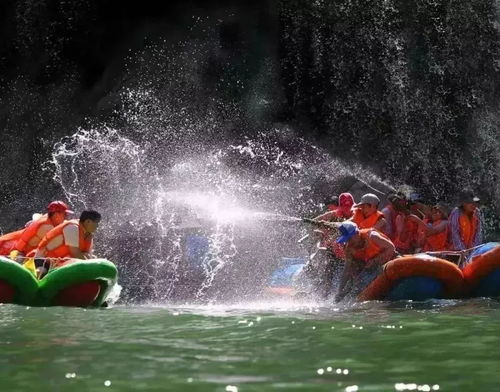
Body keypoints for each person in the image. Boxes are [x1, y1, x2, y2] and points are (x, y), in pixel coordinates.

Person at [335, 221, 396, 302]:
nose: (348, 242)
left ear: (356, 233)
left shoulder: (372, 236)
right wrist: (340, 290)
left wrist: (374, 261)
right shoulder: (349, 249)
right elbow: (347, 270)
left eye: (349, 238)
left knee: (362, 281)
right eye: (346, 239)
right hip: (370, 269)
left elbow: (391, 248)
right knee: (354, 284)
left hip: (388, 263)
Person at [34, 210, 101, 274]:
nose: (98, 226)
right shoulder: (72, 228)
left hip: (61, 262)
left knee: (93, 257)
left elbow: (87, 255)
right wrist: (92, 266)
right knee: (42, 271)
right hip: (43, 260)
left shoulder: (88, 235)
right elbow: (75, 254)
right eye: (96, 223)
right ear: (88, 221)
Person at [0, 201, 73, 257]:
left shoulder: (47, 217)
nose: (66, 217)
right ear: (56, 215)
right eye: (64, 214)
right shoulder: (47, 228)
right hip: (16, 252)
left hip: (16, 245)